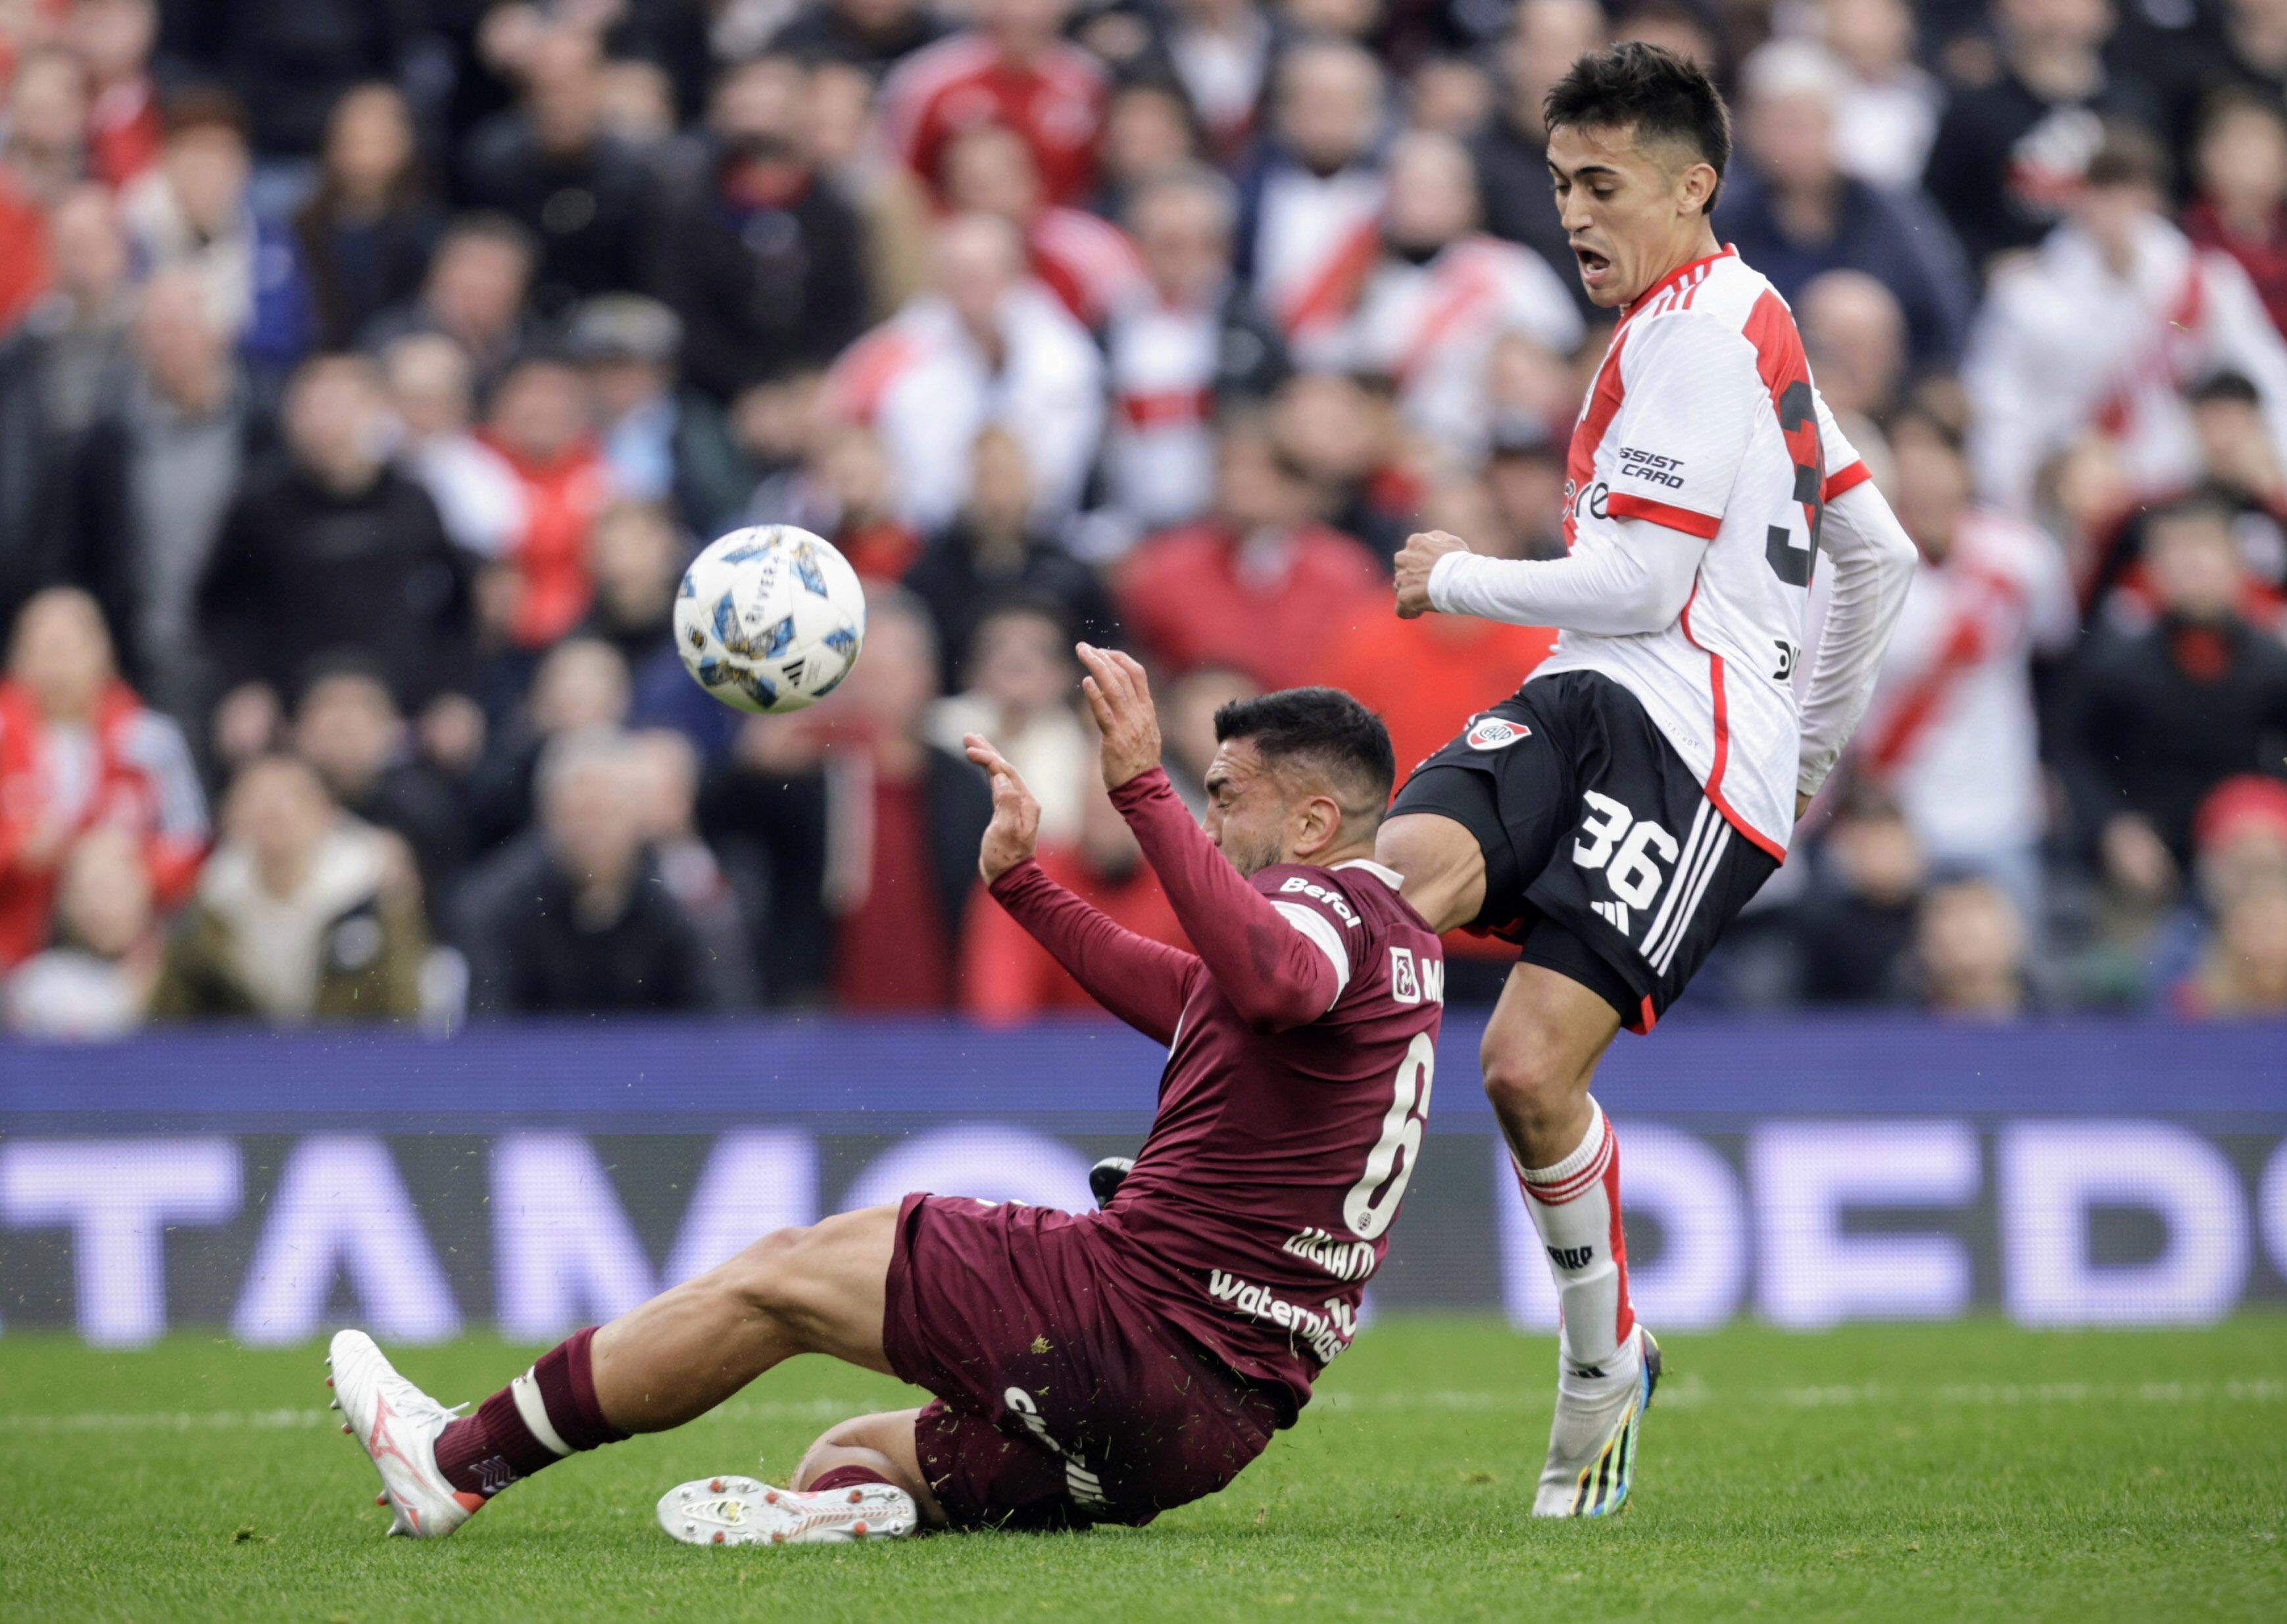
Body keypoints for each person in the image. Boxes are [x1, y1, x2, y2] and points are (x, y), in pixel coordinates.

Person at [328, 653, 1445, 1546]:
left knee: (776, 1276)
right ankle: (862, 1512)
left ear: (1309, 823)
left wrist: (1141, 788)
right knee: (845, 1459)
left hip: (1130, 1322)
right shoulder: (1399, 940)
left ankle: (457, 1457)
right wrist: (1023, 883)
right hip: (1209, 1429)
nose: (1206, 825)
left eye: (1224, 799)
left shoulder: (1312, 906)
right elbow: (1196, 991)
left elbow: (1268, 974)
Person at [1379, 43, 1916, 1515]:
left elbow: (1641, 574)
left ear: (1694, 186)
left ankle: (1600, 1358)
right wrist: (1809, 745)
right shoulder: (1735, 325)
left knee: (1523, 1068)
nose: (1572, 213)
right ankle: (1214, 1193)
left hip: (1681, 750)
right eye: (1558, 182)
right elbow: (1879, 554)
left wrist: (1455, 575)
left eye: (1601, 184)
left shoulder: (1707, 326)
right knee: (1375, 896)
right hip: (1592, 698)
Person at [1961, 125, 2287, 515]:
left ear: (2153, 197)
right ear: (2075, 195)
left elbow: (2270, 376)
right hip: (2064, 499)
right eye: (2101, 186)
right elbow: (1996, 406)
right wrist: (2013, 500)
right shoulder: (2024, 293)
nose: (2115, 204)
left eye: (2129, 186)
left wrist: (2270, 461)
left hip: (2179, 499)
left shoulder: (2206, 281)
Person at [1856, 407, 2076, 923]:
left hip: (2001, 814)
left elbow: (2058, 661)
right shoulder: (1854, 562)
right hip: (1893, 820)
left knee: (2014, 982)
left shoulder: (2022, 557)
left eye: (1939, 456)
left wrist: (2050, 767)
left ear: (1967, 467)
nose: (1924, 476)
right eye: (1907, 460)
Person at [197, 353, 476, 758]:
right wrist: (246, 686)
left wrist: (452, 695)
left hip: (401, 721)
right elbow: (219, 606)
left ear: (381, 412)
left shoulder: (414, 502)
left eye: (346, 405)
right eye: (315, 405)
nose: (330, 423)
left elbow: (458, 608)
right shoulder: (260, 505)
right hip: (289, 721)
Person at [820, 213, 1103, 533]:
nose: (969, 286)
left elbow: (1062, 469)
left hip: (1042, 530)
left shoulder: (1065, 355)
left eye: (982, 272)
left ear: (1014, 275)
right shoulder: (898, 348)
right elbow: (839, 414)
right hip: (929, 534)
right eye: (956, 273)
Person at [637, 54, 870, 404]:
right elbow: (681, 312)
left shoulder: (838, 208)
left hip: (816, 390)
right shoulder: (683, 204)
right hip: (710, 391)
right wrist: (748, 391)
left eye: (777, 100)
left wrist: (809, 385)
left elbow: (851, 309)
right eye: (749, 99)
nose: (762, 110)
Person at [0, 586, 206, 970]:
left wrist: (131, 862)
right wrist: (15, 849)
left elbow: (190, 844)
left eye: (68, 648)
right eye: (44, 649)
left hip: (130, 940)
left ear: (103, 653)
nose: (57, 665)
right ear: (17, 658)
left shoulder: (150, 740)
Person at [456, 727, 720, 1018]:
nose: (591, 831)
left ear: (637, 817)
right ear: (547, 818)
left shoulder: (676, 903)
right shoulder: (498, 907)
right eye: (577, 813)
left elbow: (718, 1022)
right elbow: (490, 1028)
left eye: (607, 812)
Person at [147, 753, 425, 1024]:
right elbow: (168, 1019)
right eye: (257, 801)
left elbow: (404, 1009)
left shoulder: (373, 900)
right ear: (231, 816)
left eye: (294, 799)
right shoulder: (208, 905)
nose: (277, 812)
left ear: (326, 812)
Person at [1118, 412, 1385, 691]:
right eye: (1229, 469)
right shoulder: (1163, 571)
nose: (1241, 484)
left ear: (1301, 487)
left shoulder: (1345, 573)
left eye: (1266, 471)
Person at [291, 83, 444, 353]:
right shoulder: (303, 223)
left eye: (376, 140)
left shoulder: (425, 230)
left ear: (404, 144)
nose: (363, 154)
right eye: (352, 139)